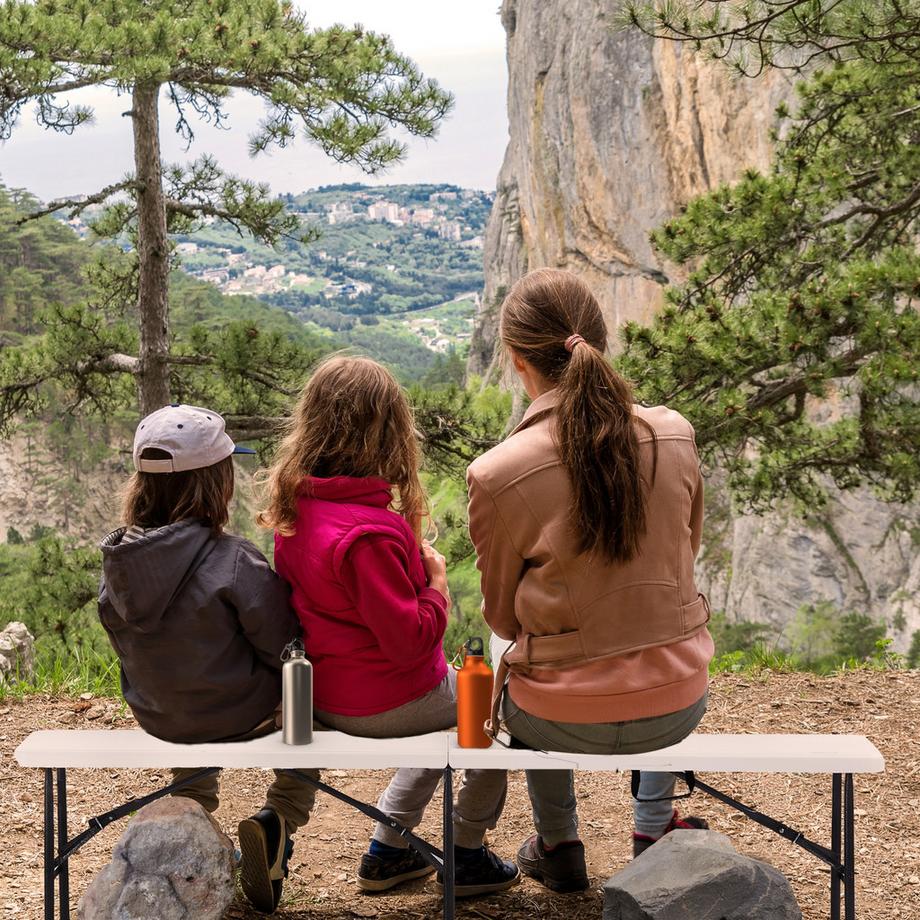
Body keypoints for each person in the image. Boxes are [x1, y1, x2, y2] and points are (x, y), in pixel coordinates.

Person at [466, 268, 714, 892]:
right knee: (652, 626)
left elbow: (502, 618)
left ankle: (559, 843)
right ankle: (652, 827)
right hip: (678, 705)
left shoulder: (497, 473)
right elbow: (685, 556)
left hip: (558, 717)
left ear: (518, 360)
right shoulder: (674, 435)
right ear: (601, 342)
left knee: (505, 645)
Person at [258, 355, 519, 898]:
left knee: (448, 708)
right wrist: (436, 585)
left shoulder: (296, 513)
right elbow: (409, 643)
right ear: (390, 433)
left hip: (323, 694)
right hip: (385, 702)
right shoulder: (370, 535)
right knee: (491, 711)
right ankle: (466, 851)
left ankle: (391, 851)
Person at [99, 404, 314, 915]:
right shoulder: (233, 559)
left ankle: (193, 809)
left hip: (162, 715)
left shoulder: (120, 563)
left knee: (185, 687)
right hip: (241, 715)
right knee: (307, 693)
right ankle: (279, 818)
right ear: (217, 483)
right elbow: (283, 645)